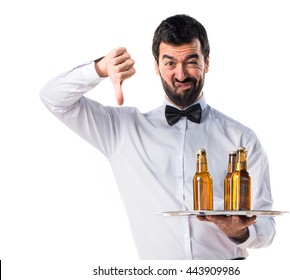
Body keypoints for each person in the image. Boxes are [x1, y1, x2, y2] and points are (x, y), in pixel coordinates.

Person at [40, 14, 275, 260]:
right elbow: (53, 98)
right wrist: (98, 69)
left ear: (207, 62)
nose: (181, 74)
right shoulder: (122, 130)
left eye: (191, 61)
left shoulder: (242, 139)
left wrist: (239, 233)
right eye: (170, 63)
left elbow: (268, 229)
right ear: (156, 66)